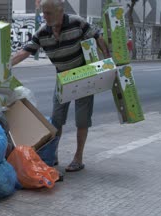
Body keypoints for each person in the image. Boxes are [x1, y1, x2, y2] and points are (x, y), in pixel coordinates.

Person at [11, 0, 110, 172]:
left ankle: (78, 158)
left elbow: (98, 37)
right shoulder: (43, 32)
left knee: (82, 119)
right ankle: (52, 154)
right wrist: (6, 65)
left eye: (49, 13)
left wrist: (109, 59)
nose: (45, 17)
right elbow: (25, 51)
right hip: (62, 79)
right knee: (56, 119)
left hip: (82, 76)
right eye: (44, 13)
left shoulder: (77, 22)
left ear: (60, 11)